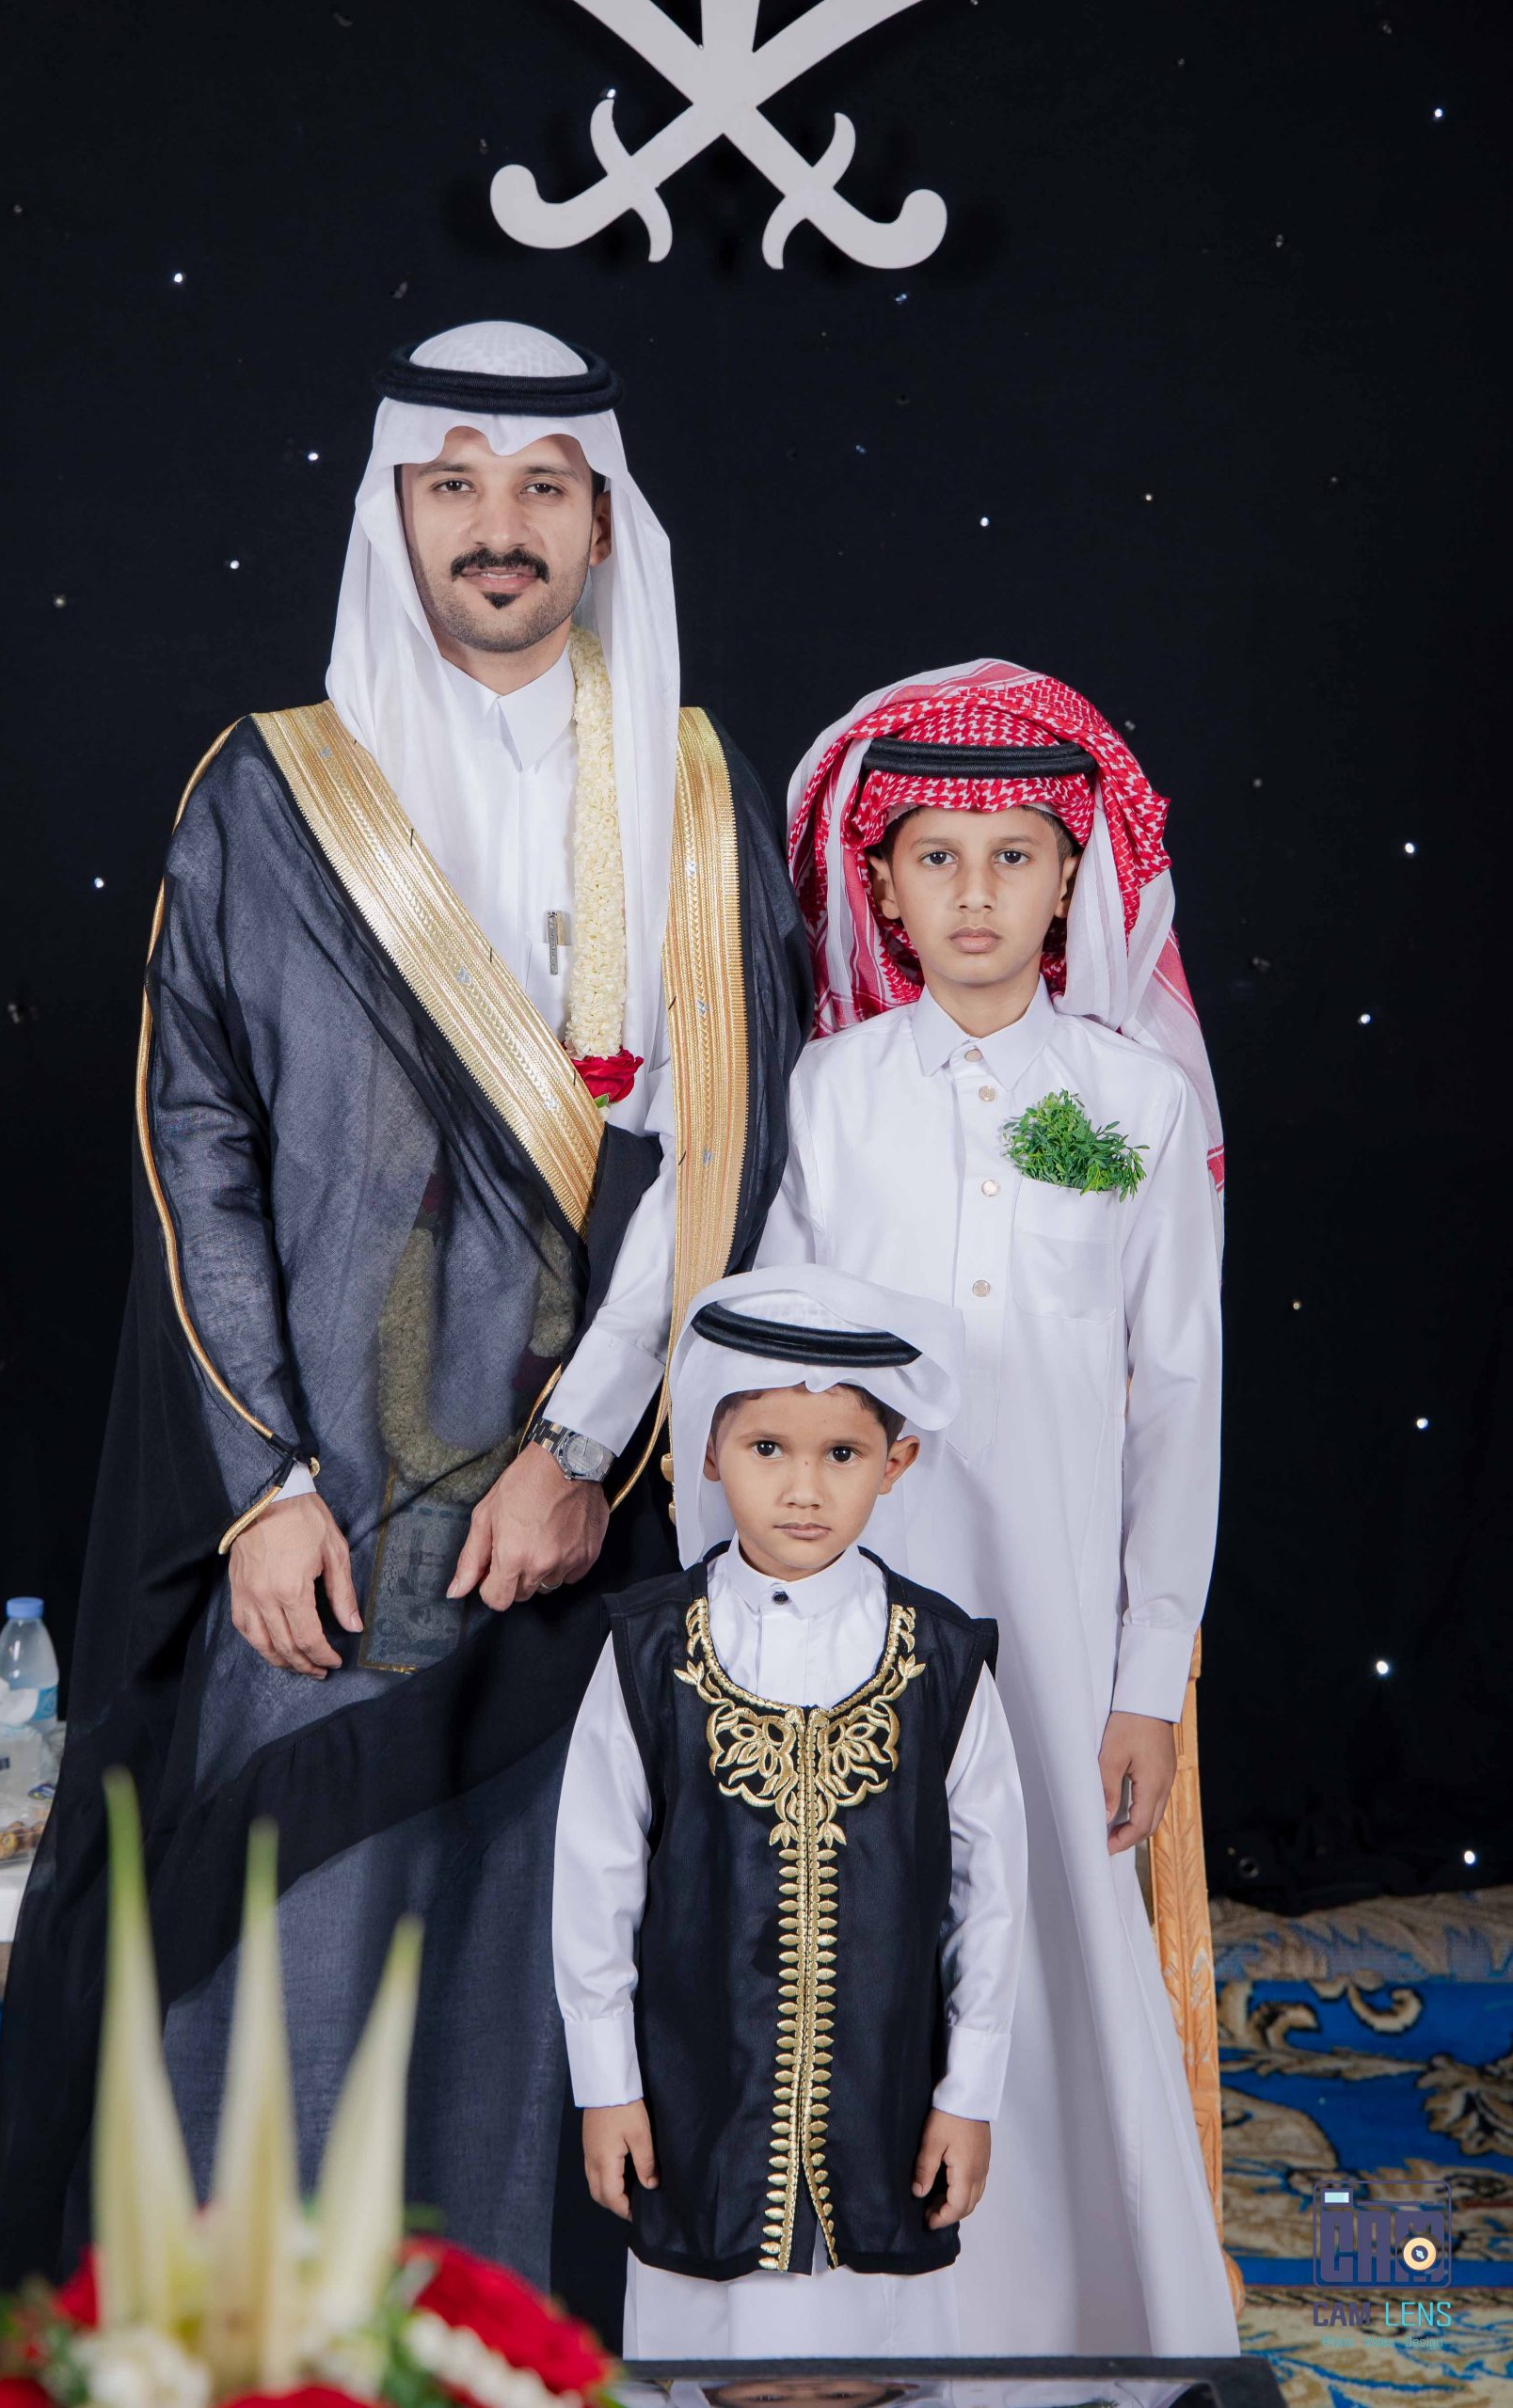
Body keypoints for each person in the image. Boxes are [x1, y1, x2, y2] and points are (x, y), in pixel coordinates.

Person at [0, 322, 808, 2335]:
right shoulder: (267, 790)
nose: (495, 528)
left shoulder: (698, 794)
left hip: (578, 1489)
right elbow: (198, 1146)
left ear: (601, 523)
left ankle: (505, 2346)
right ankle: (244, 2346)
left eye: (539, 489)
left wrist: (585, 1450)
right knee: (283, 1920)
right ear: (394, 514)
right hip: (319, 1493)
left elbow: (727, 1143)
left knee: (546, 1921)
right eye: (453, 486)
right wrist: (262, 1486)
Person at [765, 658, 1236, 2354]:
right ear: (882, 889)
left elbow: (1175, 1402)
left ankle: (1076, 2319)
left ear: (1068, 882)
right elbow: (772, 1374)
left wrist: (1142, 1675)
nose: (974, 893)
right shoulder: (827, 1093)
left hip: (1053, 1620)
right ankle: (849, 2329)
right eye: (937, 858)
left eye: (1012, 857)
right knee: (863, 1934)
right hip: (854, 1611)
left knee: (1048, 1932)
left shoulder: (1131, 1105)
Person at [552, 1268, 1028, 2356]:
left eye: (842, 1454)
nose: (804, 1489)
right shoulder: (648, 1649)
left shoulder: (944, 1658)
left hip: (889, 2109)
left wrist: (970, 2093)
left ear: (897, 1464)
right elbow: (595, 1880)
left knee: (882, 2358)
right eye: (768, 1448)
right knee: (699, 2350)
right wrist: (606, 2085)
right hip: (692, 2110)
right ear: (707, 1455)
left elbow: (992, 1898)